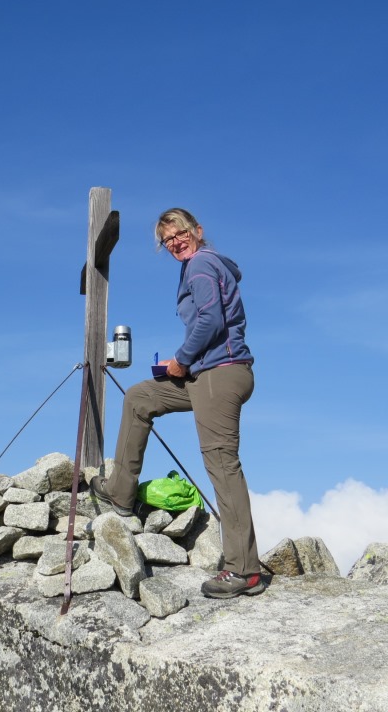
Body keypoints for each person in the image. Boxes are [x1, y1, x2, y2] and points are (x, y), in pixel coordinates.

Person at [90, 207, 264, 599]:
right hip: (206, 374)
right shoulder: (197, 267)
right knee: (140, 397)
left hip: (220, 375)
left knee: (222, 464)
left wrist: (182, 360)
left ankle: (244, 570)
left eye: (180, 233)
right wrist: (183, 363)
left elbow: (211, 320)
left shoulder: (201, 264)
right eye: (167, 240)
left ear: (197, 231)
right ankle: (120, 492)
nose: (174, 242)